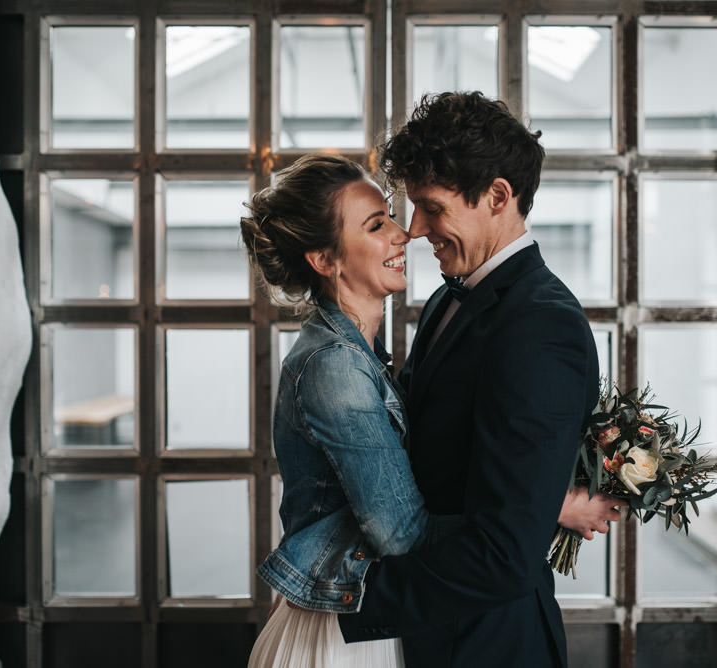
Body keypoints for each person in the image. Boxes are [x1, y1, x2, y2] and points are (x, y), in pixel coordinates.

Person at [336, 91, 622, 667]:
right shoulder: (448, 298)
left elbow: (504, 553)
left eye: (432, 207)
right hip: (434, 629)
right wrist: (550, 503)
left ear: (497, 196)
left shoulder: (542, 327)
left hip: (490, 644)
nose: (414, 229)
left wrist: (343, 603)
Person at [241, 154, 461, 668]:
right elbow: (401, 533)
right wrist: (544, 513)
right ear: (324, 259)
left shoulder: (357, 351)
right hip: (335, 638)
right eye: (376, 225)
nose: (402, 234)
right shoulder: (334, 365)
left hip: (351, 618)